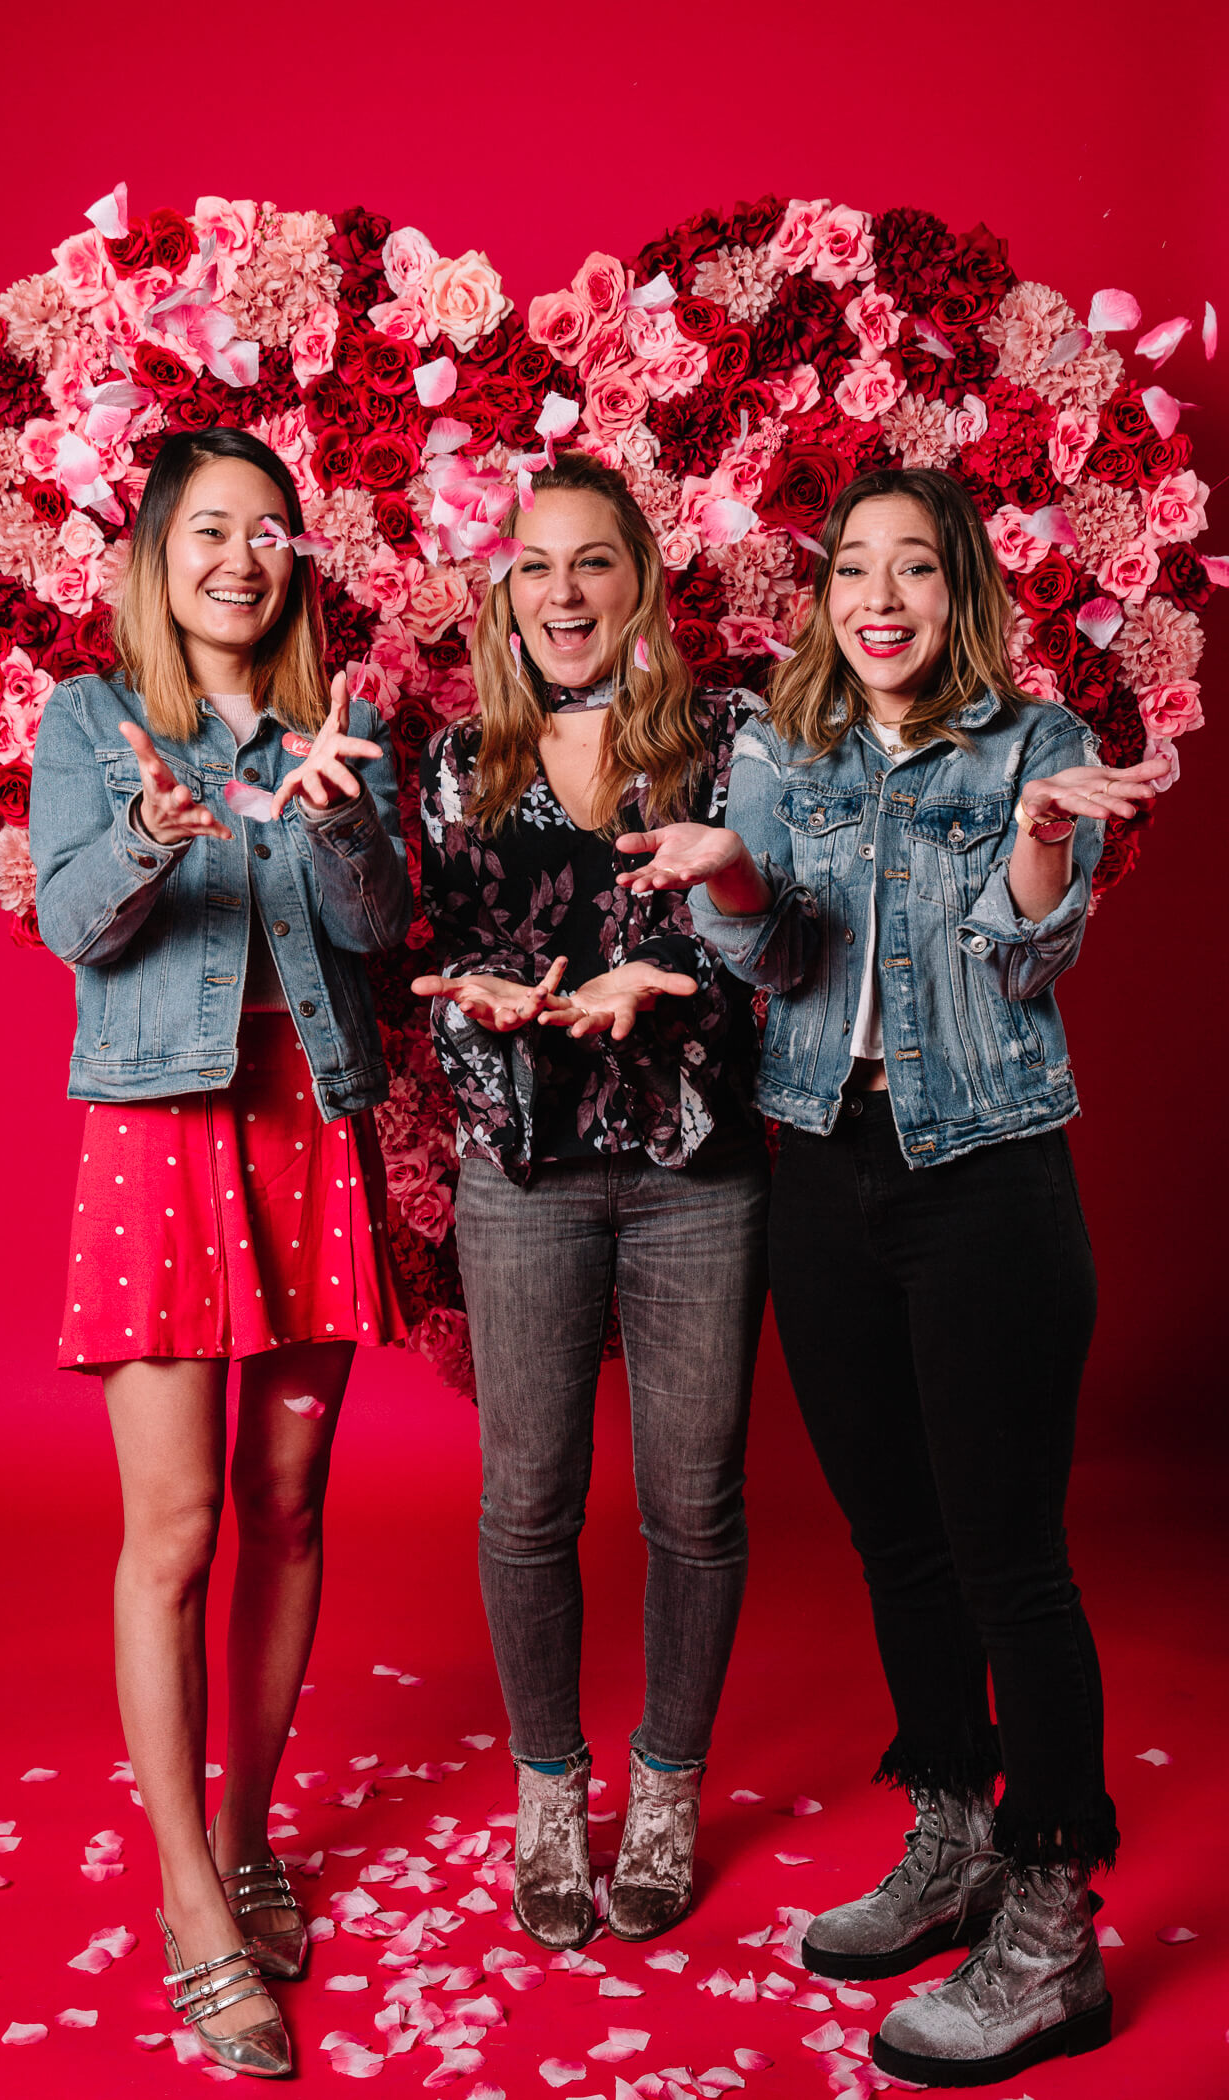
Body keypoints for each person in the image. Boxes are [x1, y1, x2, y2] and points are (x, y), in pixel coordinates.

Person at [621, 467, 1167, 2085]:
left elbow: (1023, 953)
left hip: (987, 1178)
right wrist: (731, 874)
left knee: (1010, 1556)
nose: (879, 597)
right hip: (826, 1172)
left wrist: (1043, 856)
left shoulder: (1032, 746)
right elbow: (777, 954)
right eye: (853, 568)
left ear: (958, 592)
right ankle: (954, 1839)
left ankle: (1053, 1925)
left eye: (912, 569)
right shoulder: (781, 747)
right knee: (896, 1541)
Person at [30, 428, 412, 2079]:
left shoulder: (346, 729)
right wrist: (149, 834)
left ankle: (247, 1834)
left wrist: (335, 821)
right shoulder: (89, 721)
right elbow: (67, 917)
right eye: (211, 529)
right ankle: (192, 1898)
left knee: (287, 1507)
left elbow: (385, 930)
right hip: (160, 1137)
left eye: (271, 531)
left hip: (304, 1126)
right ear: (157, 553)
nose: (244, 557)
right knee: (176, 1530)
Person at [412, 449, 769, 1952]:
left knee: (692, 1504)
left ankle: (669, 1786)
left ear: (642, 586)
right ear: (506, 593)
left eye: (595, 563)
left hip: (697, 1170)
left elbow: (787, 937)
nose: (565, 593)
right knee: (526, 1501)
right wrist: (481, 1013)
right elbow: (428, 961)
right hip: (526, 1173)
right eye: (537, 567)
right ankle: (551, 1790)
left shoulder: (733, 740)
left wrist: (669, 979)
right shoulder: (455, 760)